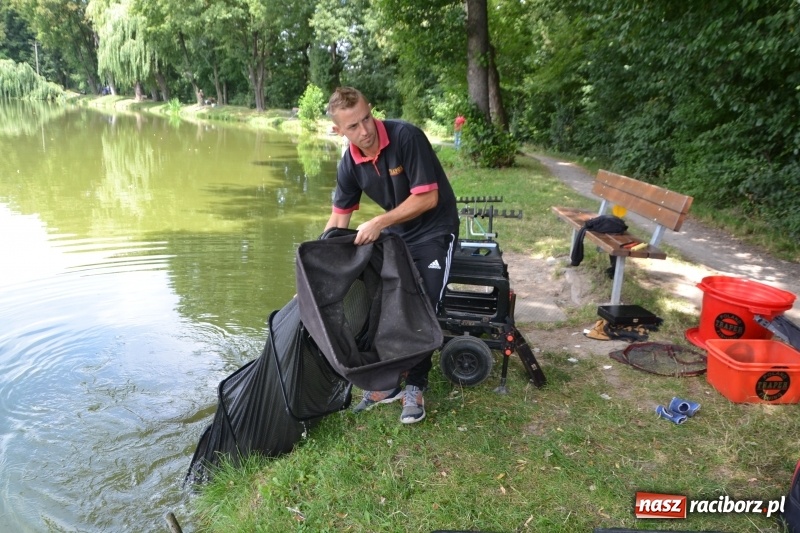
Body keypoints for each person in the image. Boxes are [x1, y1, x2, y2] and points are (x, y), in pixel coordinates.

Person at [324, 87, 460, 424]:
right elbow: (339, 218)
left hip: (435, 230)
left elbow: (427, 199)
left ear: (371, 110)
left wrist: (380, 221)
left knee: (424, 304)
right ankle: (387, 384)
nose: (365, 130)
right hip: (399, 233)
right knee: (381, 300)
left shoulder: (406, 137)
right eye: (353, 127)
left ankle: (415, 384)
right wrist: (318, 267)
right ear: (340, 131)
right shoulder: (349, 165)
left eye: (366, 118)